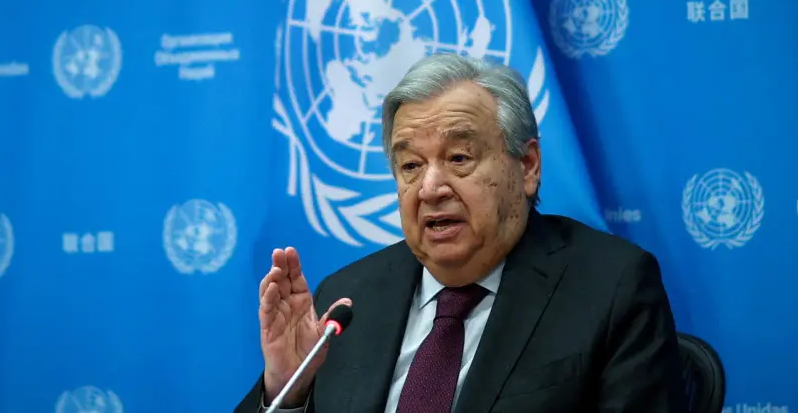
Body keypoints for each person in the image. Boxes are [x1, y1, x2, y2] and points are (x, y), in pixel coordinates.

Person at [235, 52, 688, 413]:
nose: (431, 188)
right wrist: (288, 391)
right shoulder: (349, 300)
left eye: (458, 158)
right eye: (410, 166)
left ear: (527, 166)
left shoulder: (611, 288)